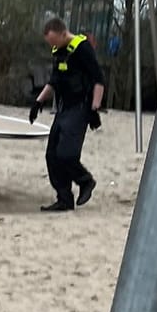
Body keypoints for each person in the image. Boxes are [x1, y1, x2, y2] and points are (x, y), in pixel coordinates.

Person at [29, 17, 104, 212]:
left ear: (63, 34)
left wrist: (94, 109)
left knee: (66, 153)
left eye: (54, 41)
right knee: (51, 155)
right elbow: (54, 81)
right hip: (63, 108)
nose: (52, 46)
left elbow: (98, 80)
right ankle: (64, 198)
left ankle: (85, 181)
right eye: (49, 43)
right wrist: (38, 102)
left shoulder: (83, 48)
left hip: (80, 107)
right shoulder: (59, 51)